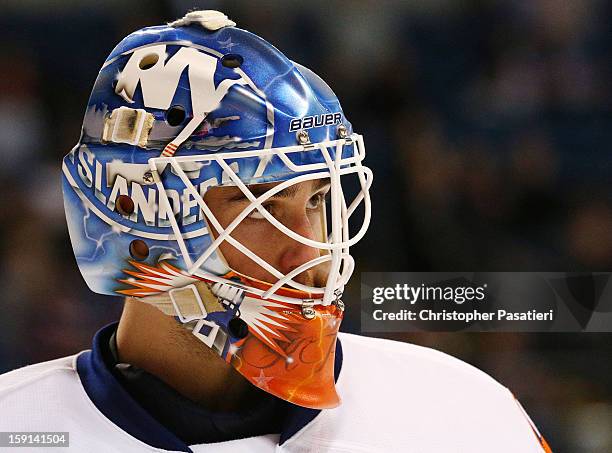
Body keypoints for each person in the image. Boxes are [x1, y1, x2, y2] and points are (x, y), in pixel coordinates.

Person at [0, 10, 552, 452]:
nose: (311, 250)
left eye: (316, 198)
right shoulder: (19, 430)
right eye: (260, 205)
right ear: (135, 213)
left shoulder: (460, 409)